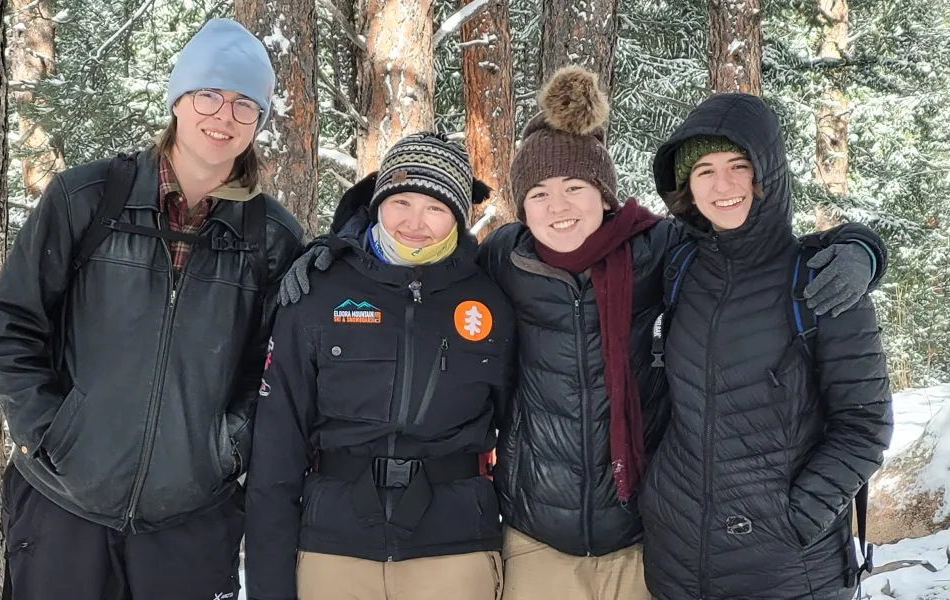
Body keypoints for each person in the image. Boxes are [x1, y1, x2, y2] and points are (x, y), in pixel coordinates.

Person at [474, 68, 887, 600]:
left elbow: (863, 420)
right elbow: (423, 269)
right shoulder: (507, 259)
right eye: (539, 193)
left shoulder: (662, 254)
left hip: (693, 545)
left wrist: (864, 250)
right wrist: (339, 252)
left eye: (575, 187)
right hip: (598, 537)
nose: (559, 207)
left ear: (604, 194)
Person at [0, 18, 303, 599]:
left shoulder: (270, 236)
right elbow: (8, 327)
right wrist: (51, 435)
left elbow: (275, 370)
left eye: (244, 104)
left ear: (259, 120)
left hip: (190, 520)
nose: (223, 117)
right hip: (63, 508)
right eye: (209, 95)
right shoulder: (88, 198)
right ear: (179, 99)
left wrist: (224, 450)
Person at [638, 92, 895, 600]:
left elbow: (865, 425)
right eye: (704, 170)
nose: (723, 185)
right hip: (677, 561)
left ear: (767, 175)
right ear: (685, 185)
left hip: (787, 570)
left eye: (739, 166)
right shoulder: (678, 267)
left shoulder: (821, 281)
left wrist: (797, 519)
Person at [245, 133, 514, 600]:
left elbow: (518, 434)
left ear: (458, 214)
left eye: (435, 207)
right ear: (377, 202)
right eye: (401, 201)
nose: (414, 222)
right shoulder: (317, 290)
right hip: (335, 550)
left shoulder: (490, 299)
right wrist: (270, 584)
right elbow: (276, 449)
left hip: (455, 549)